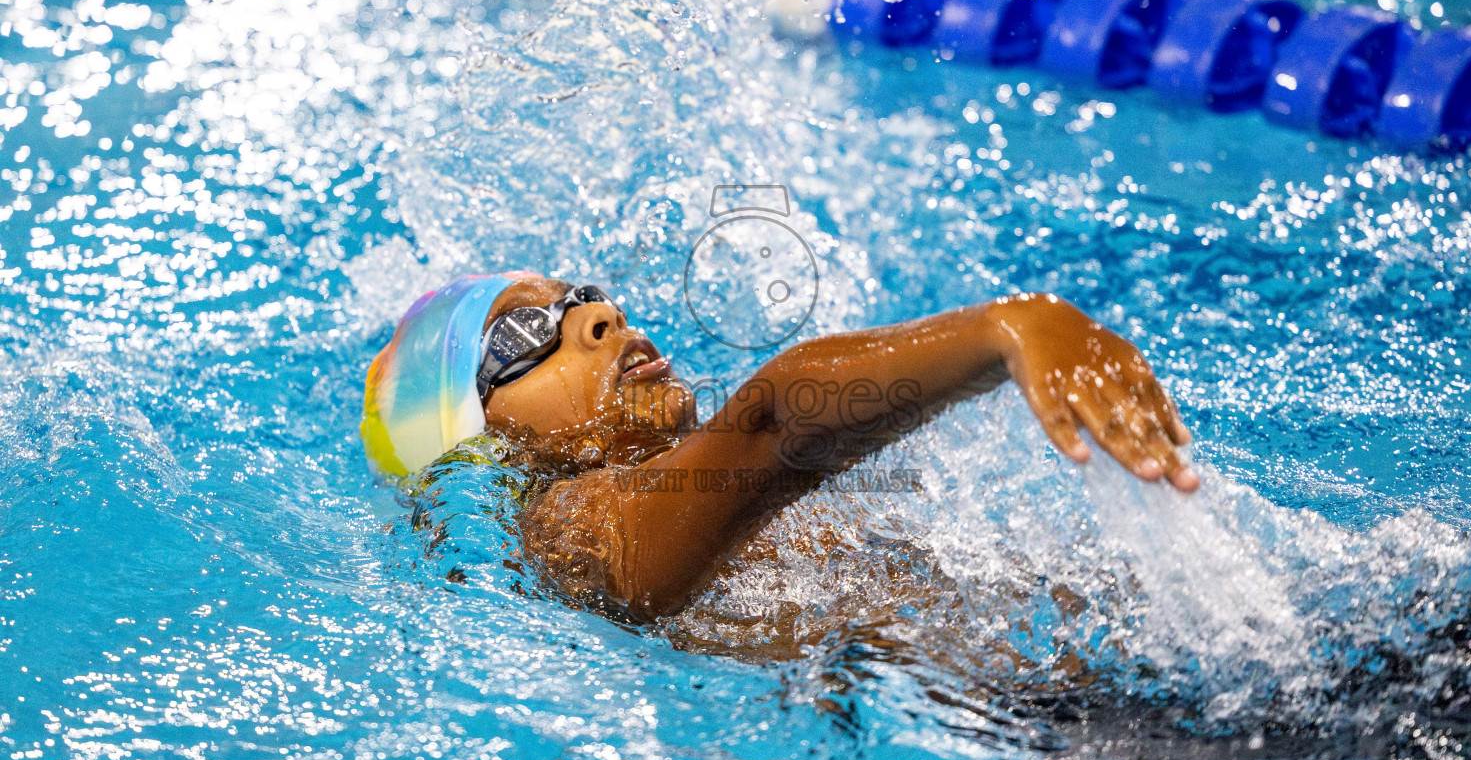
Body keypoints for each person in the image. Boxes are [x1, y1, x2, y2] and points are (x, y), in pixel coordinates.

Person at [361, 271, 1197, 623]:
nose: (601, 315)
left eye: (585, 294)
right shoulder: (560, 527)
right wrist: (1004, 327)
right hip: (1058, 741)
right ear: (480, 432)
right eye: (527, 329)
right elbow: (771, 428)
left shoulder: (644, 487)